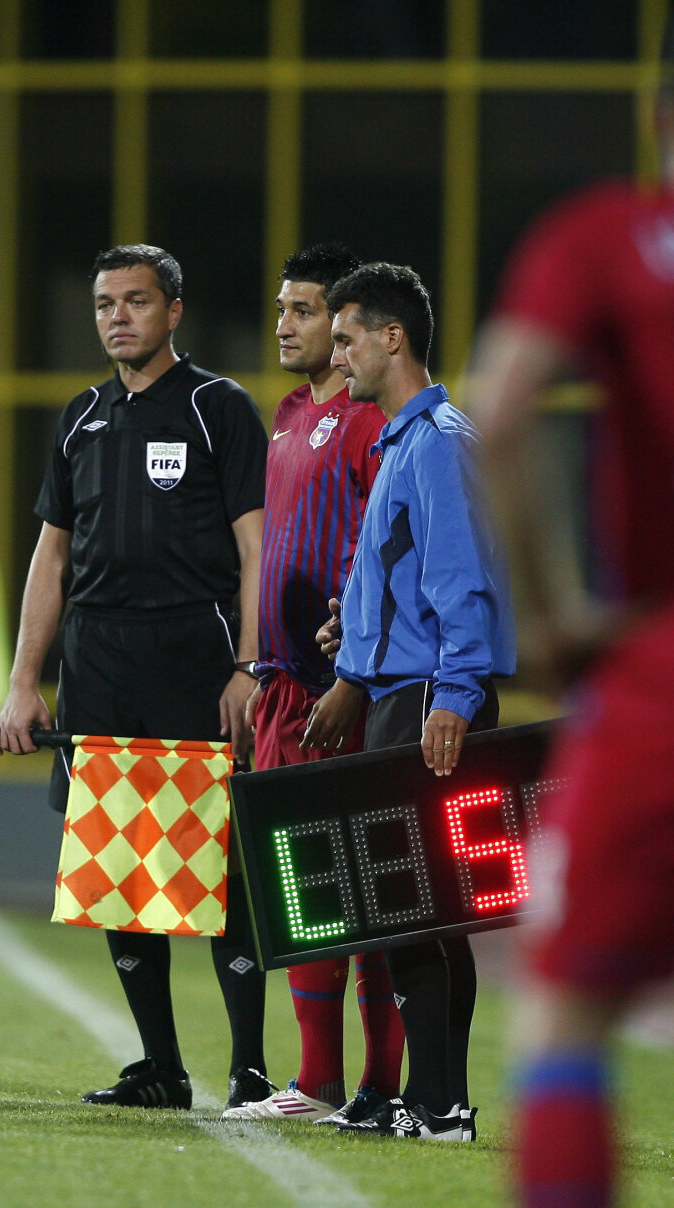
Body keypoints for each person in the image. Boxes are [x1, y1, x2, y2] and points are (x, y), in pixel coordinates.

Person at [0, 243, 269, 1110]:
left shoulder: (219, 408)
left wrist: (250, 665)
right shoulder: (80, 417)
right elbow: (51, 556)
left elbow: (260, 549)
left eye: (136, 301)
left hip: (195, 662)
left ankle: (251, 1069)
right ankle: (161, 1068)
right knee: (119, 870)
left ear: (173, 311)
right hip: (100, 669)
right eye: (106, 302)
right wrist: (24, 679)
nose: (118, 316)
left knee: (218, 869)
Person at [465, 65, 674, 1207]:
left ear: (658, 118)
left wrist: (553, 623)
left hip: (658, 673)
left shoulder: (608, 238)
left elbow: (501, 411)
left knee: (565, 1007)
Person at [301, 262, 515, 1141]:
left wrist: (455, 695)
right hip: (400, 691)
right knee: (410, 915)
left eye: (347, 336)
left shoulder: (439, 441)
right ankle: (429, 1100)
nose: (336, 352)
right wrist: (350, 640)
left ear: (394, 338)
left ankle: (442, 1105)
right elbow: (407, 577)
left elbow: (464, 583)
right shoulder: (400, 441)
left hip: (430, 700)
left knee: (421, 912)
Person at [221, 244, 405, 1125]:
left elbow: (381, 547)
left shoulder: (374, 423)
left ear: (343, 328)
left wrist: (356, 665)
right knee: (302, 886)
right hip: (286, 685)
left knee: (361, 884)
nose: (285, 325)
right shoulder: (289, 413)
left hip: (348, 684)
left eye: (301, 310)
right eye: (282, 309)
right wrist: (258, 663)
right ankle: (324, 1082)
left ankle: (369, 1085)